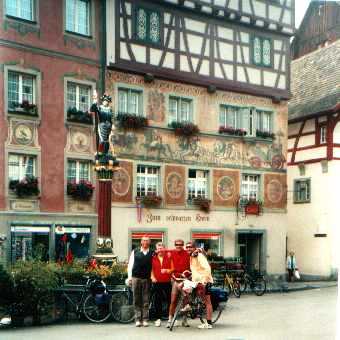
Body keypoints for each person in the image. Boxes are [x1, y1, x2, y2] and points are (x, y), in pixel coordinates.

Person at [186, 241, 214, 329]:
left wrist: (204, 281)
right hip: (197, 281)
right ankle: (189, 305)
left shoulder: (199, 256)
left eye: (190, 247)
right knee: (184, 287)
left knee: (207, 302)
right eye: (187, 247)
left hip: (204, 281)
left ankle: (209, 323)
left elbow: (207, 269)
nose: (188, 248)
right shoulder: (192, 256)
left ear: (194, 247)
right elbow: (196, 269)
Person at [127, 237, 153, 327]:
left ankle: (145, 319)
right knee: (136, 299)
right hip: (136, 278)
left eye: (147, 240)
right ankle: (138, 319)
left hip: (147, 279)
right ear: (141, 242)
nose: (145, 242)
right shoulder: (135, 251)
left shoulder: (152, 252)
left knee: (146, 299)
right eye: (144, 240)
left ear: (149, 242)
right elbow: (130, 265)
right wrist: (129, 277)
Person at [167, 239, 190, 328]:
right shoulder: (171, 253)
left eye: (180, 244)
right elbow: (162, 251)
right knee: (173, 300)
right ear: (175, 245)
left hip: (185, 279)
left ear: (183, 245)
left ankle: (184, 320)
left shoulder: (187, 254)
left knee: (185, 301)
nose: (178, 246)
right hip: (176, 279)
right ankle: (170, 319)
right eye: (177, 244)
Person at [151, 242, 174, 327]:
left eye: (161, 248)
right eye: (158, 248)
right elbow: (151, 269)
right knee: (158, 300)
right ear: (156, 250)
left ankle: (170, 318)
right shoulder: (153, 258)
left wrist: (167, 271)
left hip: (167, 281)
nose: (160, 250)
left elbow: (173, 268)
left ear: (164, 249)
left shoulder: (169, 257)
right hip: (157, 282)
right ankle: (158, 319)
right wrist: (152, 277)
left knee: (170, 300)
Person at [90, 92, 115, 156]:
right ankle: (100, 151)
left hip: (108, 126)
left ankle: (105, 152)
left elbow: (112, 118)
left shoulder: (110, 110)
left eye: (107, 101)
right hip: (102, 125)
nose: (105, 102)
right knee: (102, 140)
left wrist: (113, 125)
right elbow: (92, 109)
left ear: (108, 102)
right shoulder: (100, 108)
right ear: (102, 101)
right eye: (104, 100)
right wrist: (94, 101)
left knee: (107, 141)